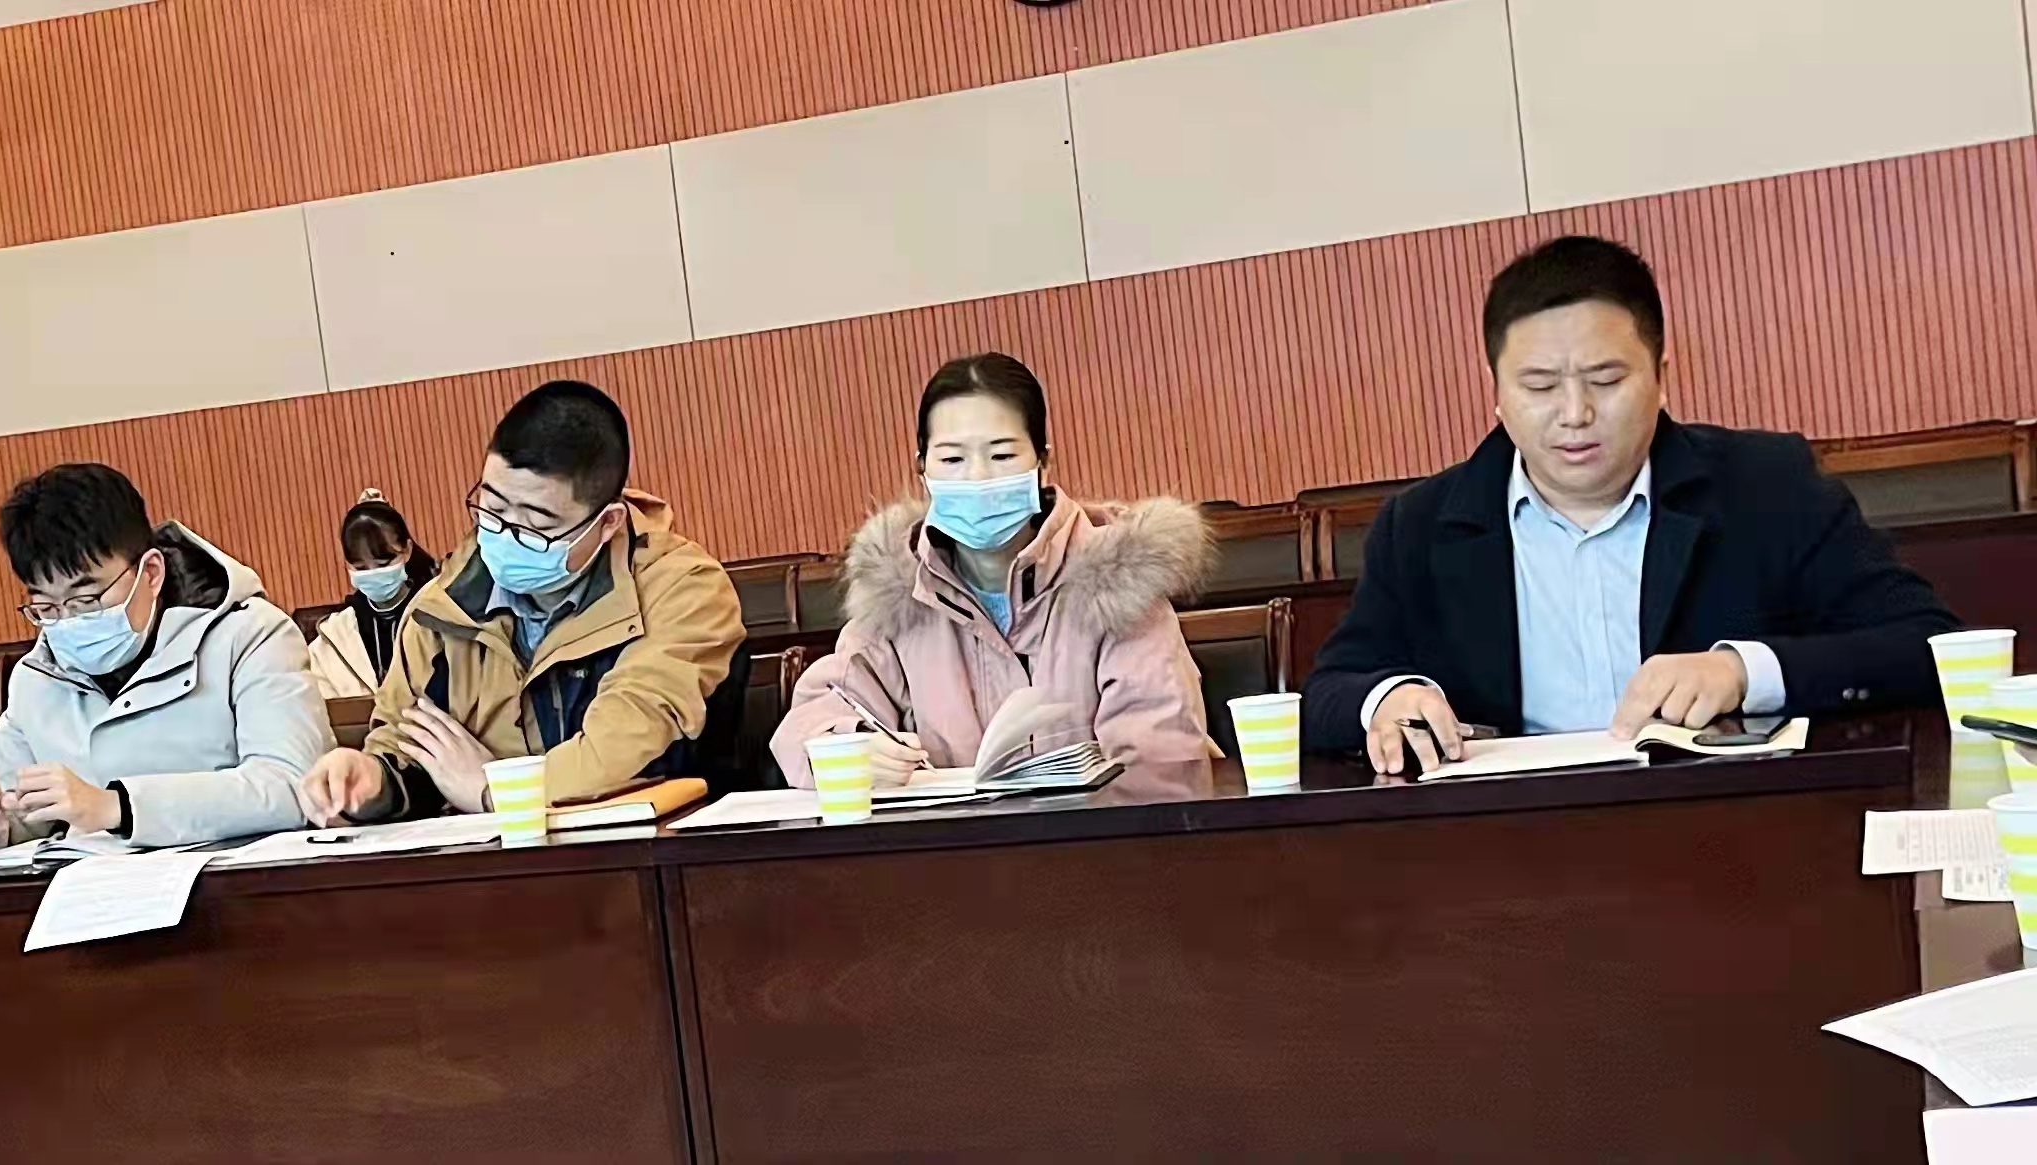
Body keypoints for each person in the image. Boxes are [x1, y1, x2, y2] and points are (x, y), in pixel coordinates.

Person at [1305, 235, 1961, 774]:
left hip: (1728, 833)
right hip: (1506, 845)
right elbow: (1329, 693)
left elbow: (1929, 646)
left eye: (1606, 379)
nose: (1575, 414)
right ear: (1496, 392)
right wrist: (1386, 699)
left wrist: (1744, 671)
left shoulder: (1765, 485)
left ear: (1661, 375)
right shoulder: (1421, 526)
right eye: (1539, 386)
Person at [770, 353, 1217, 796]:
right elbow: (815, 718)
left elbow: (1161, 759)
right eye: (952, 460)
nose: (978, 477)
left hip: (1096, 836)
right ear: (922, 470)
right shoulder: (899, 597)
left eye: (1002, 455)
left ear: (1042, 462)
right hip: (948, 841)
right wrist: (850, 750)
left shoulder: (1120, 587)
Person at [299, 380, 745, 823]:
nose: (505, 535)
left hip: (645, 847)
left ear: (607, 522)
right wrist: (369, 781)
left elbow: (616, 753)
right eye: (492, 509)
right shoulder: (442, 606)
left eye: (536, 524)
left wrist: (492, 791)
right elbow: (406, 744)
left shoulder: (684, 590)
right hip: (488, 855)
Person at [0, 464, 333, 857]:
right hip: (94, 890)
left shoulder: (249, 634)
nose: (69, 621)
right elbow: (4, 804)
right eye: (46, 607)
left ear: (150, 573)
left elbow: (292, 786)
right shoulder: (39, 677)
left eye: (87, 599)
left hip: (241, 887)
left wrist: (116, 807)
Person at [308, 489, 442, 699]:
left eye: (383, 564)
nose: (372, 573)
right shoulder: (334, 636)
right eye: (360, 568)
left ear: (407, 550)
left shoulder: (440, 613)